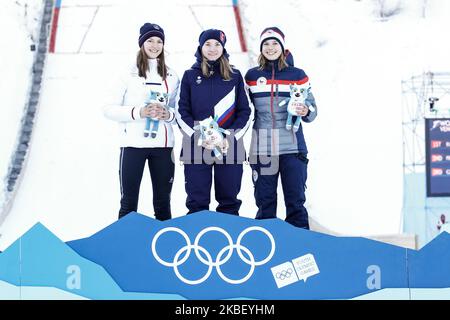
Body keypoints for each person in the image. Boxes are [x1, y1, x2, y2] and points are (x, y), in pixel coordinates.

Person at [103, 23, 179, 220]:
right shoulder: (127, 73)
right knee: (128, 203)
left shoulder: (172, 76)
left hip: (163, 147)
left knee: (163, 203)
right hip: (133, 146)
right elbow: (108, 109)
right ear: (141, 43)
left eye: (159, 41)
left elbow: (180, 112)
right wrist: (139, 112)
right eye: (150, 40)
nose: (155, 45)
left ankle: (165, 248)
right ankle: (123, 248)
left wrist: (168, 115)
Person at [244, 27, 318, 229]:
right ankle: (265, 252)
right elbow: (243, 110)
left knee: (295, 204)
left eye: (275, 43)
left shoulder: (298, 75)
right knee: (265, 206)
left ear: (282, 47)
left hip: (292, 149)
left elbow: (313, 109)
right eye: (266, 44)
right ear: (261, 49)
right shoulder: (251, 77)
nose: (270, 47)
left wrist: (306, 110)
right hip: (262, 150)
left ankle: (301, 250)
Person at [176, 29, 251, 215]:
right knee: (196, 203)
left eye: (217, 44)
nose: (212, 48)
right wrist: (200, 136)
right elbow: (181, 111)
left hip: (229, 147)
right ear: (200, 47)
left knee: (229, 203)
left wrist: (228, 137)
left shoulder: (235, 76)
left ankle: (228, 242)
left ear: (223, 47)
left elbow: (246, 112)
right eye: (208, 44)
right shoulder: (189, 76)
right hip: (196, 147)